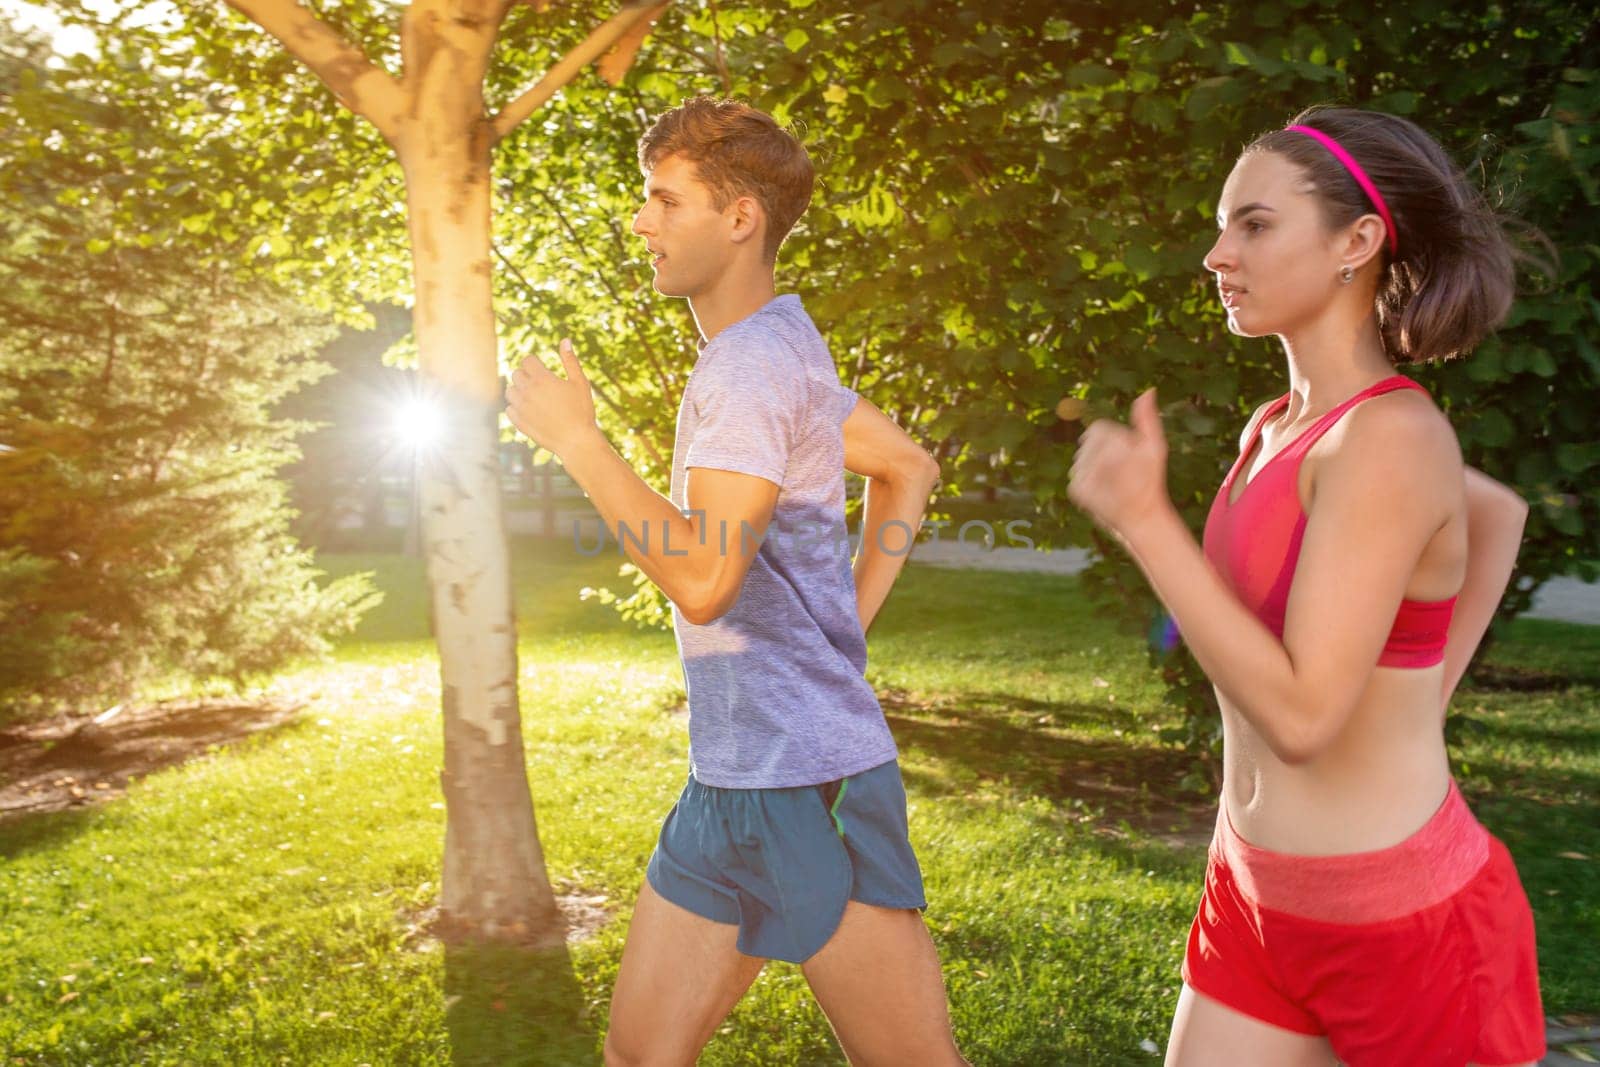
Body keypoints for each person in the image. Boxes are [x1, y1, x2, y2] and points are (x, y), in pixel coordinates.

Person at [1067, 106, 1545, 1065]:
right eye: (1220, 224)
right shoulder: (1277, 426)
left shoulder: (1392, 437)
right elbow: (1495, 514)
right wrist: (1416, 700)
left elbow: (1300, 718)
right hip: (1254, 898)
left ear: (1356, 241)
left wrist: (1148, 523)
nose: (1216, 254)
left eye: (1254, 223)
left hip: (1407, 928)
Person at [504, 97, 966, 1067]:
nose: (641, 223)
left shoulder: (751, 368)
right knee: (638, 1054)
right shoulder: (783, 346)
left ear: (740, 216)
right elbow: (909, 466)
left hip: (808, 784)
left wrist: (580, 443)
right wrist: (844, 625)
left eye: (664, 200)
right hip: (729, 780)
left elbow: (705, 579)